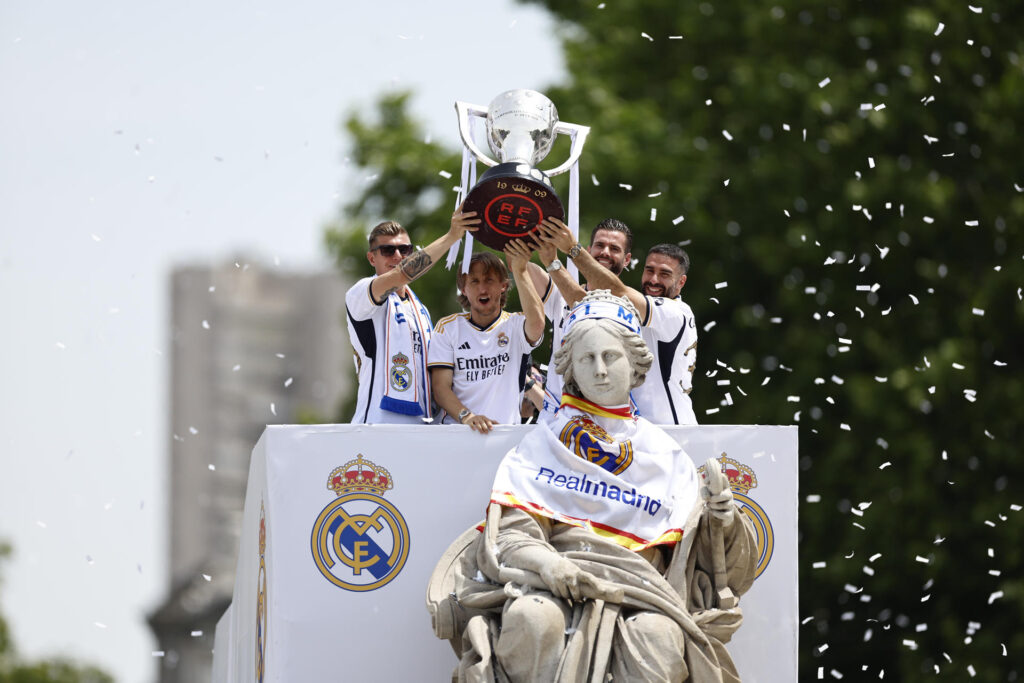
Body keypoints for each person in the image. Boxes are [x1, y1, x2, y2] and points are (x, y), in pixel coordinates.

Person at [429, 291, 757, 682]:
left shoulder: (664, 454)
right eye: (587, 358)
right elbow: (512, 537)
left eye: (610, 356)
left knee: (657, 637)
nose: (600, 370)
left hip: (642, 594)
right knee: (532, 619)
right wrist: (550, 564)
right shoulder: (545, 442)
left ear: (635, 364)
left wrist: (723, 520)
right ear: (572, 369)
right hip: (554, 585)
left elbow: (702, 560)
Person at [533, 218, 699, 425]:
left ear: (681, 282)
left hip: (670, 429)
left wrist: (572, 249)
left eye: (664, 274)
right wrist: (549, 261)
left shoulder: (676, 312)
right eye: (649, 271)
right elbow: (583, 301)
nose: (654, 280)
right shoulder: (632, 306)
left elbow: (617, 291)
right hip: (632, 429)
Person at [345, 209, 479, 424]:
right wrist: (452, 236)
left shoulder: (420, 310)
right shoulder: (360, 293)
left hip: (420, 429)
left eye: (405, 249)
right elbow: (402, 274)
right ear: (372, 258)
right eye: (388, 250)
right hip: (376, 426)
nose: (398, 256)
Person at [519, 217, 637, 417]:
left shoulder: (632, 304)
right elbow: (522, 265)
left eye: (614, 248)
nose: (605, 252)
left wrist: (559, 258)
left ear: (627, 259)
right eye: (600, 246)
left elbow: (590, 304)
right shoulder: (559, 295)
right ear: (589, 250)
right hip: (557, 419)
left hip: (607, 419)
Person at [427, 241, 544, 433]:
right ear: (463, 289)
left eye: (489, 280)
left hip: (505, 437)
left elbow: (538, 325)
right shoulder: (448, 327)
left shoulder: (516, 324)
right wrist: (468, 417)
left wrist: (520, 270)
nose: (482, 289)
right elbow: (440, 389)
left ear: (503, 286)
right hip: (457, 435)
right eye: (474, 281)